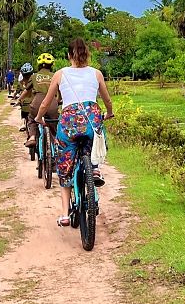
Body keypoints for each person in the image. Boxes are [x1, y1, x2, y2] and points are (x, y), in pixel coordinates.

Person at [36, 38, 114, 227]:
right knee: (95, 142)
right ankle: (94, 168)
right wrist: (109, 113)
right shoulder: (97, 74)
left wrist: (39, 118)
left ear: (69, 55)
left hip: (70, 122)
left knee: (65, 167)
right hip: (91, 119)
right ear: (87, 54)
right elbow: (107, 100)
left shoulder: (60, 74)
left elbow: (46, 102)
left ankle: (64, 214)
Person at [25, 53, 57, 148]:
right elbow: (59, 93)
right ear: (51, 65)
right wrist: (58, 100)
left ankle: (32, 137)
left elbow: (27, 90)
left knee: (32, 118)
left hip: (37, 102)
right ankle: (55, 141)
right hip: (52, 103)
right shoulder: (55, 76)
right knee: (54, 121)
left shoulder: (34, 76)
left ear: (39, 65)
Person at [16, 63, 34, 133]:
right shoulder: (35, 81)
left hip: (25, 106)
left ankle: (25, 125)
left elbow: (18, 92)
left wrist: (17, 99)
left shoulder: (20, 83)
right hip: (36, 105)